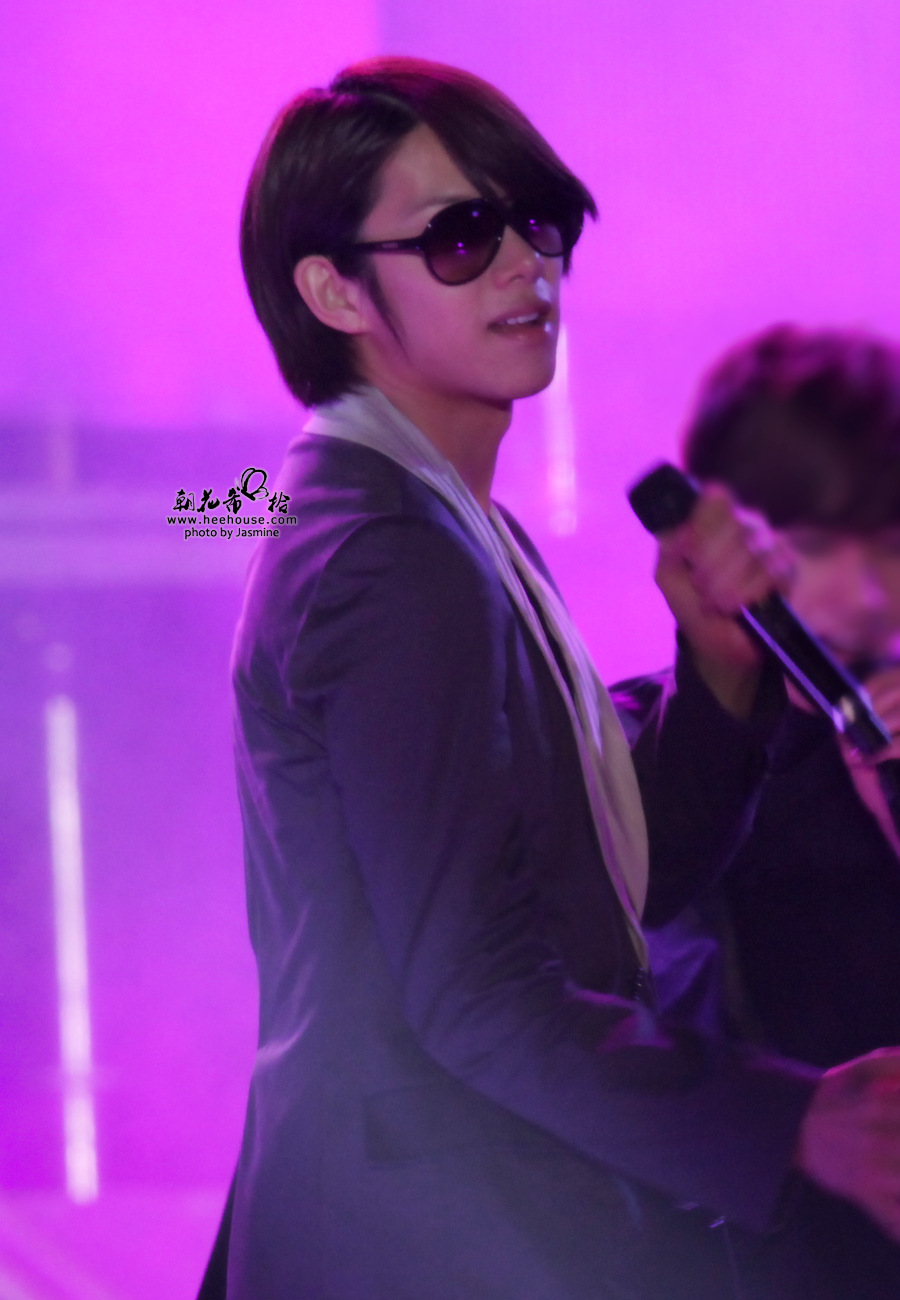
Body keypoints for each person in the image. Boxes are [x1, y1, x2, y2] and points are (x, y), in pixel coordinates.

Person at [215, 61, 900, 1300]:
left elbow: (609, 893)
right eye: (462, 236)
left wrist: (718, 662)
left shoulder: (443, 521)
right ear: (333, 290)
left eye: (540, 224)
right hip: (429, 1243)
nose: (526, 266)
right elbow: (479, 991)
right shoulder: (387, 552)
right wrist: (789, 1122)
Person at [614, 323, 900, 1295]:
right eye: (815, 546)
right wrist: (794, 1128)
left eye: (893, 543)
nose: (866, 592)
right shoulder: (649, 749)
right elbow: (556, 1026)